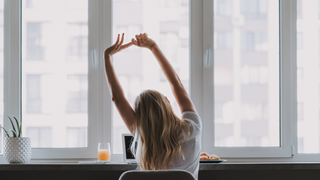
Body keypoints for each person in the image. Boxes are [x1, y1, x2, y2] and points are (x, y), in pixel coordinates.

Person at [104, 33, 202, 179]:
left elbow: (117, 98)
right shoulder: (192, 129)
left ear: (139, 117)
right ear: (168, 103)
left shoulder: (140, 134)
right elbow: (176, 84)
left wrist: (107, 57)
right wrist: (153, 47)